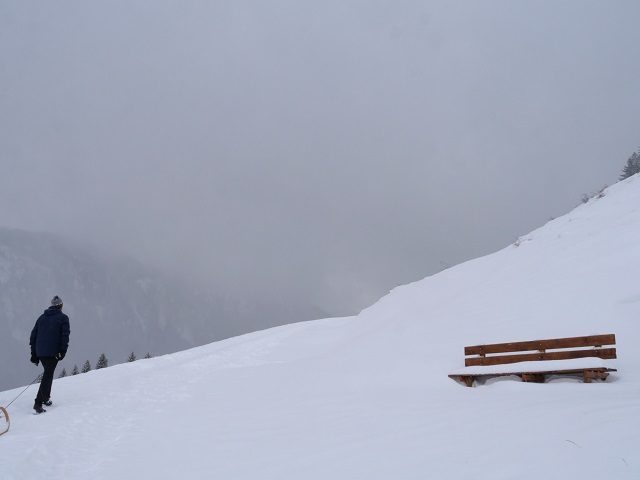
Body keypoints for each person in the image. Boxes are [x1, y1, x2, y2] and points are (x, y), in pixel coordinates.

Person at [29, 295, 70, 414]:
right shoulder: (63, 318)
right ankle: (38, 403)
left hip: (41, 352)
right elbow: (65, 335)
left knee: (48, 373)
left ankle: (46, 398)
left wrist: (34, 354)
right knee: (47, 375)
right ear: (60, 306)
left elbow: (33, 336)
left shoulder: (41, 318)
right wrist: (63, 351)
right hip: (53, 353)